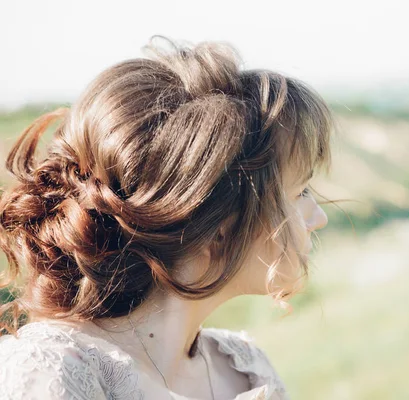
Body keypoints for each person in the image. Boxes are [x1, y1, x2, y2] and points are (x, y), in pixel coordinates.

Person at [0, 36, 335, 400]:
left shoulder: (245, 370)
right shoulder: (52, 371)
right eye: (300, 191)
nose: (318, 217)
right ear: (219, 228)